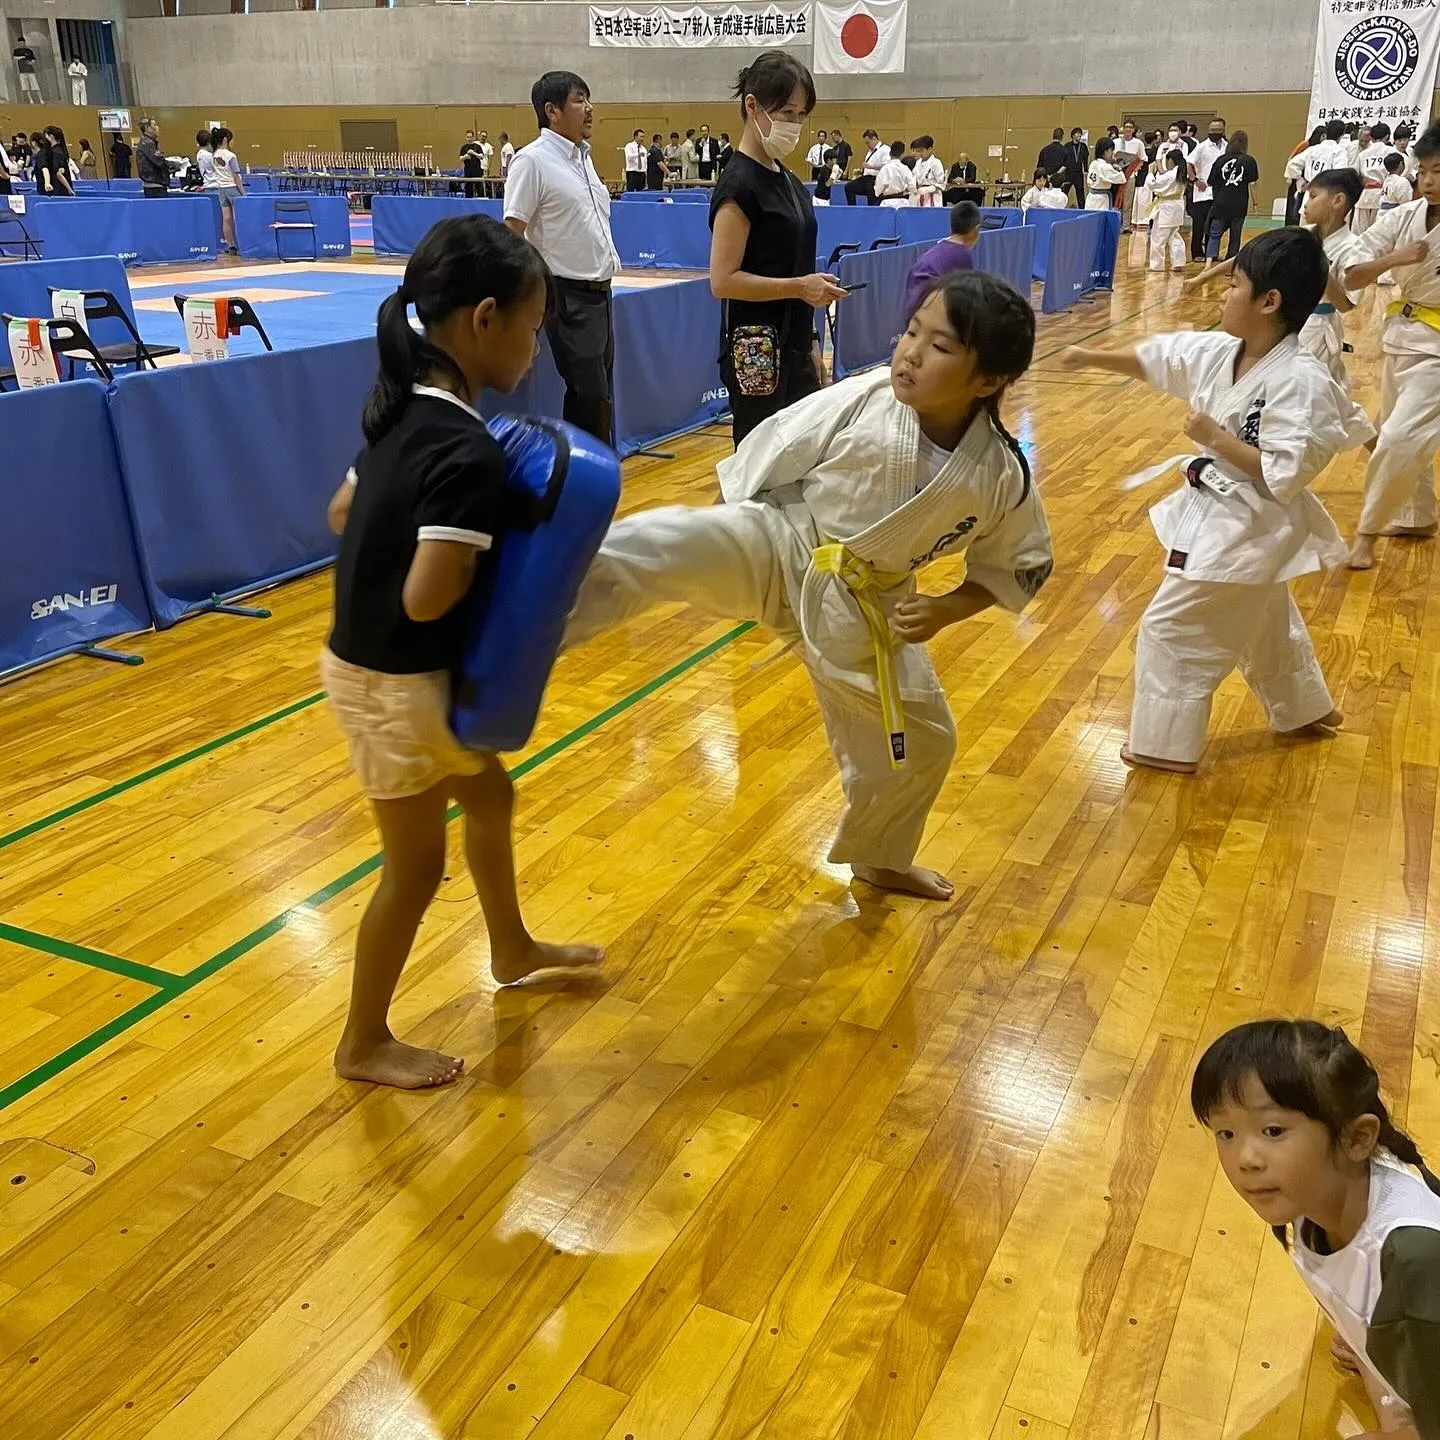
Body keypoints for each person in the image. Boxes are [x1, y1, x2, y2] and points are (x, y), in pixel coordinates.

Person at [567, 270, 1052, 900]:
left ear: (987, 380)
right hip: (784, 543)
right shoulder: (865, 396)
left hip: (870, 603)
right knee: (660, 545)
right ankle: (527, 616)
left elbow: (1017, 563)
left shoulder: (998, 473)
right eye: (912, 331)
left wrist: (946, 610)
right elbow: (775, 444)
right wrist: (722, 521)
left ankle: (880, 857)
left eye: (940, 346)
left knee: (928, 742)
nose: (910, 351)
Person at [321, 216, 601, 1091]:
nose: (537, 346)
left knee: (490, 792)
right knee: (414, 868)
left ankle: (512, 948)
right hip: (393, 685)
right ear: (485, 319)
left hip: (374, 669)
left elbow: (340, 513)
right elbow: (425, 598)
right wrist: (503, 566)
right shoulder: (470, 450)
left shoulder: (406, 408)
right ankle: (362, 1040)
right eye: (533, 324)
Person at [1058, 229, 1372, 773]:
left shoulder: (1301, 379)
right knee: (1265, 619)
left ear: (1269, 302)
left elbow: (1285, 473)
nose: (1223, 294)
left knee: (1172, 627)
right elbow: (1162, 358)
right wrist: (1090, 356)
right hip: (1226, 511)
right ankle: (1302, 709)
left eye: (1235, 285)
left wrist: (1218, 438)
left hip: (1250, 522)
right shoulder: (1224, 351)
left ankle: (1163, 745)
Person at [1191, 1020, 1440, 1440]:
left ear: (1358, 1138)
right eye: (1226, 1133)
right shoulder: (1311, 1194)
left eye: (1272, 1131)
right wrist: (1372, 1347)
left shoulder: (1414, 1254)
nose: (1244, 1158)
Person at [708, 50, 844, 446]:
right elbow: (723, 280)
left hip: (796, 346)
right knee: (756, 472)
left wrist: (812, 342)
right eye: (786, 112)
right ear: (752, 106)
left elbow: (797, 262)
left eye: (801, 115)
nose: (795, 125)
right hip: (757, 351)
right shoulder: (738, 184)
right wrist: (800, 287)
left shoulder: (784, 177)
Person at [1340, 121, 1440, 571]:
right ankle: (1417, 516)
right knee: (1399, 432)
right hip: (1402, 336)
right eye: (1425, 171)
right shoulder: (1403, 217)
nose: (1429, 181)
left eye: (1439, 171)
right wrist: (1394, 259)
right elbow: (1352, 273)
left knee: (1398, 438)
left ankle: (1366, 534)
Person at [504, 70, 620, 446]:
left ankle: (587, 470)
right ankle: (587, 479)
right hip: (565, 295)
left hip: (601, 294)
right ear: (551, 111)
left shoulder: (583, 160)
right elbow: (512, 232)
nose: (590, 108)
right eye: (579, 100)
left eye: (589, 99)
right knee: (589, 395)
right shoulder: (532, 161)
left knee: (597, 396)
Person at [902, 201, 980, 314]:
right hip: (930, 307)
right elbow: (966, 300)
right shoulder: (963, 254)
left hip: (913, 307)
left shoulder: (940, 247)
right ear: (976, 230)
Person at [1203, 130, 1258, 265]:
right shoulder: (1249, 161)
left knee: (1214, 233)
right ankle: (1230, 265)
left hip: (1221, 202)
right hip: (1239, 204)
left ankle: (1208, 263)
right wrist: (1256, 203)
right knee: (1235, 236)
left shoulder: (1220, 160)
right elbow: (1253, 184)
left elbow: (1210, 181)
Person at [1188, 115, 1228, 263]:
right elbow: (1189, 163)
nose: (1214, 132)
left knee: (1215, 225)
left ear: (1223, 131)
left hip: (1219, 193)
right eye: (1211, 129)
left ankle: (1212, 252)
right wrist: (1194, 179)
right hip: (1202, 193)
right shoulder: (1202, 146)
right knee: (1199, 224)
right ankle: (1197, 252)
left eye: (1217, 130)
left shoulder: (1227, 146)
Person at [1144, 146, 1187, 271]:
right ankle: (1178, 263)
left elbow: (1152, 185)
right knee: (1174, 235)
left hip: (1166, 207)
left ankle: (1156, 266)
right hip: (1177, 206)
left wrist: (1150, 172)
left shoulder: (1170, 175)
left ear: (1171, 161)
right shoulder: (1181, 173)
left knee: (1158, 237)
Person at [198, 127, 240, 252]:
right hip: (232, 188)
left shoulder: (215, 155)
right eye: (231, 140)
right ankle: (243, 245)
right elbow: (236, 175)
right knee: (238, 218)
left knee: (226, 219)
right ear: (226, 140)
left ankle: (230, 245)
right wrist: (242, 192)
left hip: (221, 189)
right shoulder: (231, 156)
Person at [1354, 122, 1394, 234]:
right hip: (1383, 194)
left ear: (1371, 137)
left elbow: (1356, 174)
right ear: (1387, 136)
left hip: (1364, 195)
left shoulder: (1363, 154)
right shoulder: (1391, 152)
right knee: (1378, 233)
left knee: (1359, 233)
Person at [1084, 137, 1126, 211]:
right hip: (1101, 200)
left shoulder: (1094, 163)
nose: (1113, 153)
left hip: (1091, 197)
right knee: (1100, 220)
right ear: (1105, 151)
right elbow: (1122, 179)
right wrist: (1118, 167)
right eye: (1111, 150)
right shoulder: (1105, 166)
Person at [846, 129, 885, 206]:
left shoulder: (884, 150)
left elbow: (886, 166)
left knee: (871, 200)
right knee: (849, 187)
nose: (867, 145)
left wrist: (872, 167)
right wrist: (862, 171)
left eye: (868, 142)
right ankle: (852, 209)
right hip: (866, 178)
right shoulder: (870, 151)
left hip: (875, 179)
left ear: (874, 138)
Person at [875, 139, 917, 207]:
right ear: (902, 155)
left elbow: (877, 191)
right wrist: (906, 190)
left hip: (887, 203)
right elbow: (913, 187)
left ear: (890, 153)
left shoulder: (884, 169)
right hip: (903, 204)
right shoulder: (905, 168)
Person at [36, 126, 75, 197]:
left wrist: (69, 189)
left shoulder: (56, 152)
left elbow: (59, 174)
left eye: (46, 136)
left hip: (59, 190)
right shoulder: (60, 150)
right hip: (61, 190)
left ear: (51, 136)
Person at [136, 117, 168, 199]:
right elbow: (159, 162)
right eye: (155, 125)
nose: (158, 127)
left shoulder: (147, 143)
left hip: (153, 186)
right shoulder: (147, 143)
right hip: (155, 188)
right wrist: (175, 165)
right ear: (147, 128)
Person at [911, 136, 945, 207]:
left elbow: (942, 184)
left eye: (921, 150)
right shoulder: (917, 163)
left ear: (930, 149)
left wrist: (929, 189)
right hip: (919, 195)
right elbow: (914, 178)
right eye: (918, 151)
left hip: (932, 197)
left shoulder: (936, 163)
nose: (920, 153)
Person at [1064, 128, 1089, 208]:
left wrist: (1086, 170)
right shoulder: (1067, 146)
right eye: (1077, 133)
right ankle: (1060, 208)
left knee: (1080, 194)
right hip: (1068, 173)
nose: (1079, 135)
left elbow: (1085, 159)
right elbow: (1064, 160)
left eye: (1080, 133)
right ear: (1073, 135)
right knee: (1064, 192)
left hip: (1078, 173)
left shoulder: (1083, 146)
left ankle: (1082, 210)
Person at [12, 35, 41, 103]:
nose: (21, 44)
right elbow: (14, 58)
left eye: (22, 43)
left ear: (24, 43)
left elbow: (34, 59)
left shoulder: (29, 50)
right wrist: (22, 57)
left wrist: (31, 62)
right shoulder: (16, 51)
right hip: (22, 71)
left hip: (30, 70)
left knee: (35, 85)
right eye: (20, 43)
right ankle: (30, 99)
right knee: (25, 86)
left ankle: (40, 99)